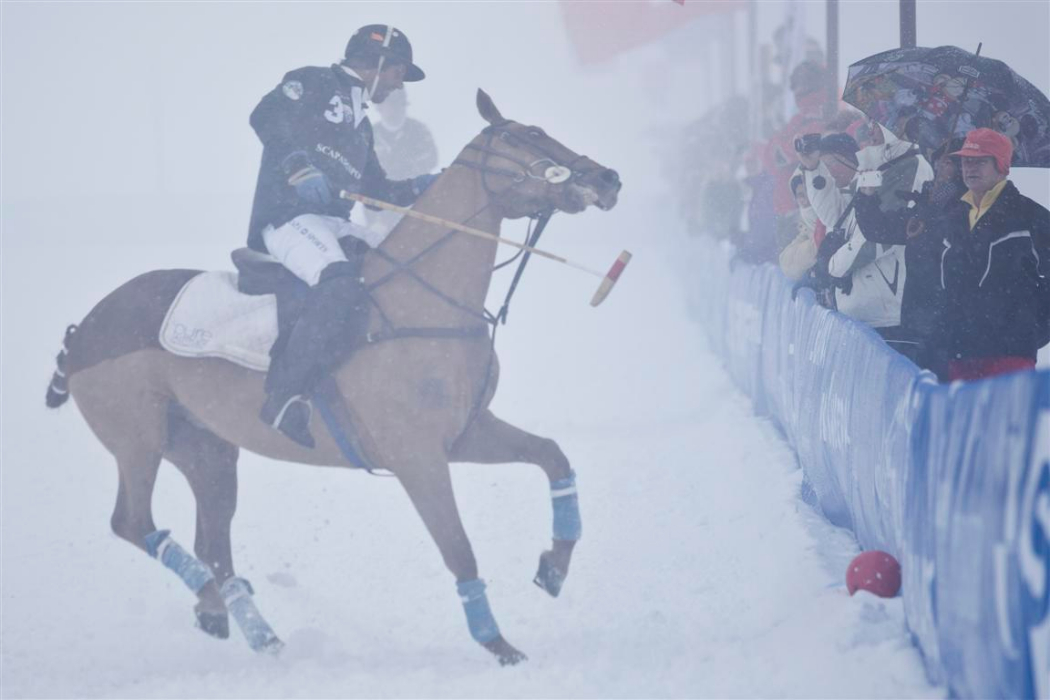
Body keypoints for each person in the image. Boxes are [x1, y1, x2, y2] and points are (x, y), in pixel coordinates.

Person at [245, 24, 438, 448]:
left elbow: (377, 193)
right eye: (398, 73)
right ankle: (284, 396)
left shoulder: (363, 126)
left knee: (400, 269)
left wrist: (425, 185)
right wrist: (298, 167)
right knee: (339, 284)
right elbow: (265, 114)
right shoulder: (315, 81)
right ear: (380, 63)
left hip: (333, 223)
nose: (399, 85)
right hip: (288, 218)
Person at [935, 128, 1050, 381]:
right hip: (957, 351)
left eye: (980, 161)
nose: (970, 168)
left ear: (1001, 166)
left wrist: (1032, 328)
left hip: (1010, 354)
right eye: (966, 161)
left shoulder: (1030, 216)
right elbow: (936, 281)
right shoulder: (952, 216)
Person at [853, 137, 965, 377]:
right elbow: (878, 229)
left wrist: (931, 219)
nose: (939, 167)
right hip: (917, 321)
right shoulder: (927, 205)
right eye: (938, 160)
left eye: (948, 162)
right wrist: (867, 194)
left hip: (951, 329)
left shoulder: (964, 209)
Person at [796, 132, 922, 341]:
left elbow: (872, 242)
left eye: (831, 164)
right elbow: (831, 215)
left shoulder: (887, 182)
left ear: (850, 158)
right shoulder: (858, 188)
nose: (829, 172)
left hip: (886, 319)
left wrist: (830, 267)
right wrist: (812, 168)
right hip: (865, 317)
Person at [362, 87, 439, 239]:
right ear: (379, 107)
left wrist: (405, 168)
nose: (394, 109)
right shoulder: (371, 134)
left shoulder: (419, 130)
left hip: (414, 199)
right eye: (390, 104)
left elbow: (431, 159)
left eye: (398, 104)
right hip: (378, 205)